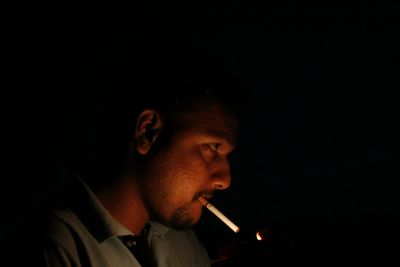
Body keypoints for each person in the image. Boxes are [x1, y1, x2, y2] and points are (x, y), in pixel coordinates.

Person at [0, 77, 239, 267]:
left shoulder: (179, 240)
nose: (225, 179)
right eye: (212, 148)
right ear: (148, 132)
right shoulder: (50, 247)